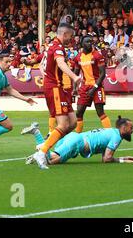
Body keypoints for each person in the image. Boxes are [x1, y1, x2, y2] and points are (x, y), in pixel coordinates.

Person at [31, 23, 81, 169]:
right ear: (64, 34)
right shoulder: (58, 47)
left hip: (58, 88)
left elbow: (42, 65)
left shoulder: (50, 46)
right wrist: (74, 77)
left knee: (72, 123)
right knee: (63, 124)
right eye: (70, 36)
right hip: (54, 88)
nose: (71, 40)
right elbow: (60, 63)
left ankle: (45, 144)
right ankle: (42, 152)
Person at [22, 116, 133, 165]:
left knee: (50, 157)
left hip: (74, 137)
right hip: (77, 143)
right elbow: (107, 159)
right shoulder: (117, 137)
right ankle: (36, 134)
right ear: (123, 128)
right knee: (50, 162)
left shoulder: (112, 131)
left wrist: (124, 157)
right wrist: (122, 160)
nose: (132, 131)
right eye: (131, 128)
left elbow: (105, 157)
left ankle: (38, 152)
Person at [73, 36, 110, 132]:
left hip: (97, 87)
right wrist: (74, 88)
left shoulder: (97, 55)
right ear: (82, 44)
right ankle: (77, 136)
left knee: (100, 112)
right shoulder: (78, 57)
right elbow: (75, 74)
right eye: (87, 42)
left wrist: (94, 88)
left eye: (91, 41)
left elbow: (103, 74)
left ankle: (110, 134)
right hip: (85, 87)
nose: (90, 43)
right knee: (79, 112)